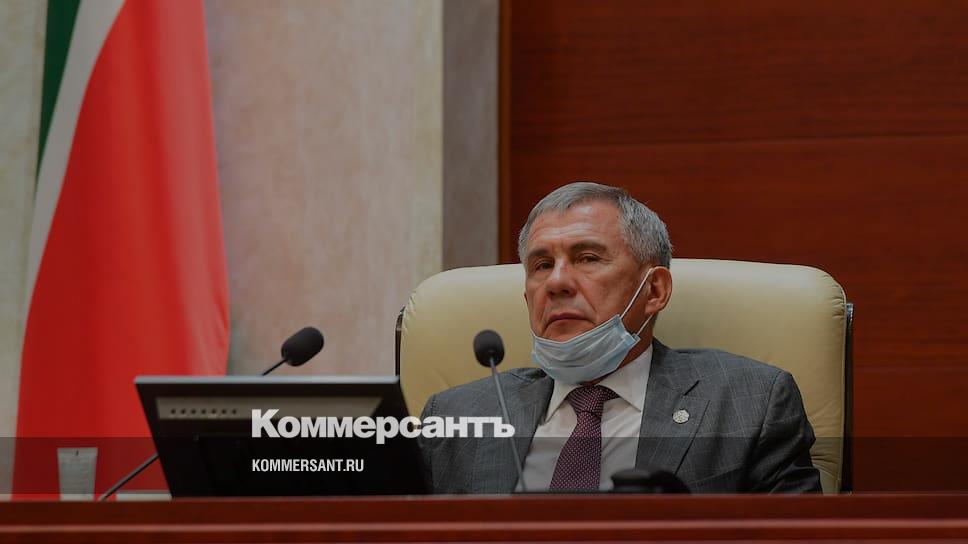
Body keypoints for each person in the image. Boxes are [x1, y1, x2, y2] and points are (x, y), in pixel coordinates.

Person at [419, 182, 821, 493]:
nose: (556, 283)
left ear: (655, 291)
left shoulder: (750, 403)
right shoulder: (455, 416)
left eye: (587, 258)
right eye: (541, 265)